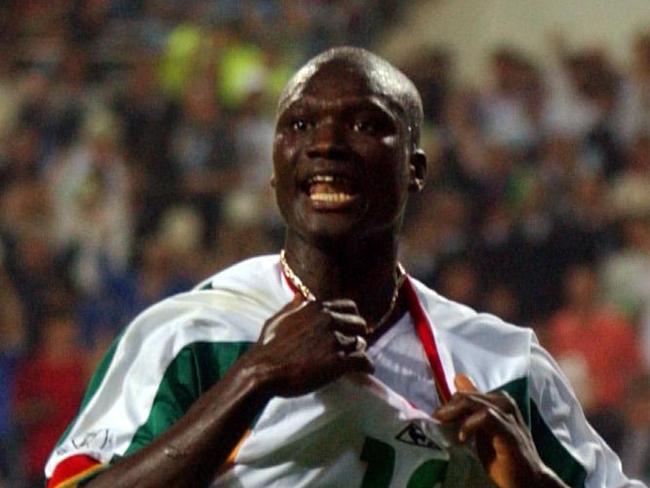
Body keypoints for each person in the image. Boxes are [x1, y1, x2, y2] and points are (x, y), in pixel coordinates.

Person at [45, 47, 642, 488]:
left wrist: (535, 483)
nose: (325, 143)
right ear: (274, 170)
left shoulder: (502, 365)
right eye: (300, 125)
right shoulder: (191, 336)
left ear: (416, 167)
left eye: (366, 124)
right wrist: (253, 379)